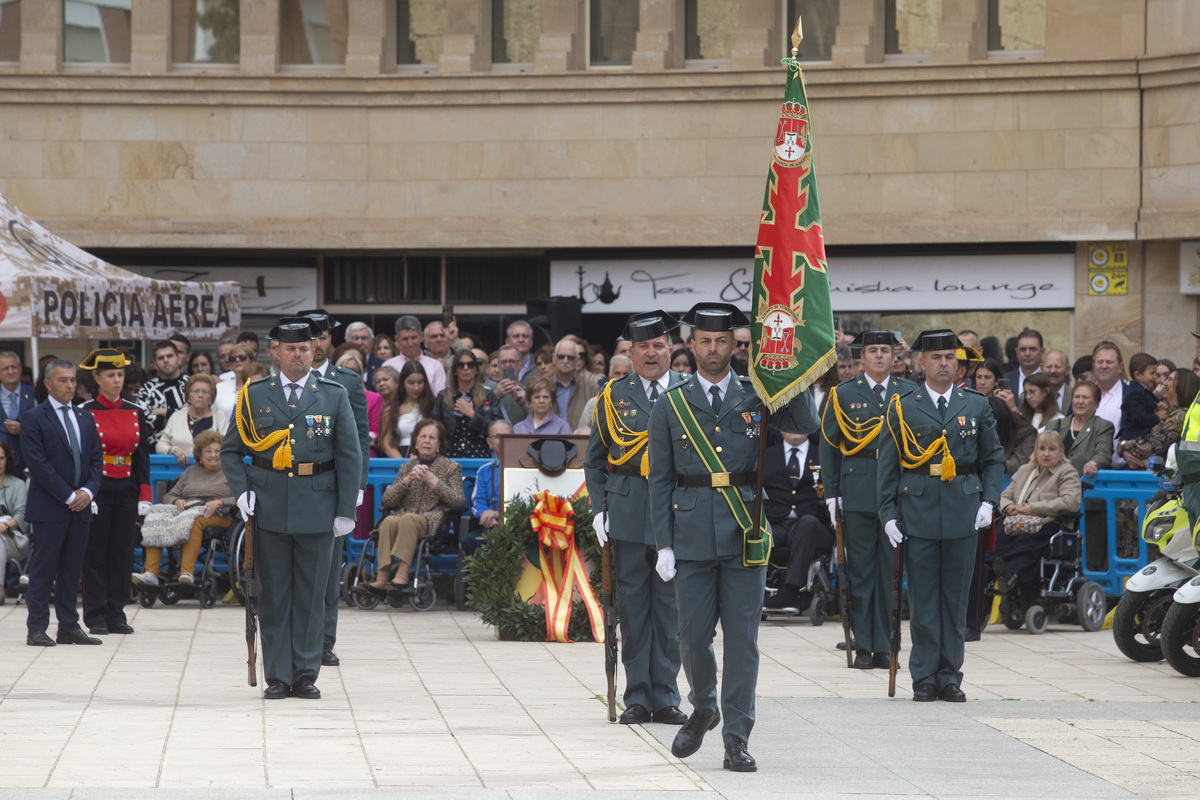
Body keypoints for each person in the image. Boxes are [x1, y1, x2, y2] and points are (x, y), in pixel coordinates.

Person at [648, 302, 818, 772]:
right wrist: (663, 543)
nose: (713, 349)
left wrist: (791, 372)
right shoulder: (671, 402)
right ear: (691, 345)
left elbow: (805, 425)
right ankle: (705, 705)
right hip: (691, 535)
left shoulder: (754, 393)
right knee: (692, 638)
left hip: (745, 531)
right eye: (704, 341)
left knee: (742, 643)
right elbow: (661, 479)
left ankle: (736, 736)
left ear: (736, 346)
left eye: (722, 341)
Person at [220, 318, 360, 700]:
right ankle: (278, 676)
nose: (298, 354)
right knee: (274, 595)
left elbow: (350, 454)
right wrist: (241, 491)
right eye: (290, 348)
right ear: (275, 352)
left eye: (304, 348)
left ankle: (305, 674)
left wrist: (346, 508)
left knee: (312, 596)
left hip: (318, 505)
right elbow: (231, 450)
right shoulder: (254, 395)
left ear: (314, 352)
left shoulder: (333, 394)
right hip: (269, 506)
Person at [876, 330, 1004, 703]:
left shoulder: (976, 404)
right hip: (918, 509)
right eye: (936, 357)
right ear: (922, 363)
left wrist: (989, 501)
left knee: (955, 599)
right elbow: (888, 465)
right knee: (924, 599)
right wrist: (887, 514)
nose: (944, 363)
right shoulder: (903, 405)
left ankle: (950, 675)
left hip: (964, 508)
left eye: (950, 357)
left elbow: (993, 458)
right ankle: (924, 676)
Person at [584, 310, 688, 728]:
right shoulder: (613, 395)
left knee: (669, 611)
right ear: (630, 352)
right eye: (642, 346)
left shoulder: (687, 390)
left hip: (677, 515)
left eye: (658, 345)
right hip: (627, 512)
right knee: (631, 608)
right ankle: (637, 697)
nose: (651, 353)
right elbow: (595, 462)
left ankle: (666, 696)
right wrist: (598, 508)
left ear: (670, 350)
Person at [819, 331, 917, 668]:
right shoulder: (844, 394)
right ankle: (864, 645)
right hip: (859, 491)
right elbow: (829, 445)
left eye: (884, 351)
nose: (878, 356)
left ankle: (888, 645)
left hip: (897, 494)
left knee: (892, 571)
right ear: (862, 358)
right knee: (861, 573)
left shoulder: (909, 392)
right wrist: (832, 492)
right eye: (872, 350)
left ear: (895, 357)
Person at [298, 309, 371, 670]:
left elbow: (358, 438)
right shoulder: (280, 381)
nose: (317, 342)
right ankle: (295, 638)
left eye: (322, 334)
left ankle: (325, 640)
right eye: (310, 335)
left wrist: (356, 486)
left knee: (327, 570)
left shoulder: (347, 381)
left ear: (330, 338)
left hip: (332, 486)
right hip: (293, 486)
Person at [23, 359, 104, 646]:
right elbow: (39, 464)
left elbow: (96, 460)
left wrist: (88, 492)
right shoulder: (34, 418)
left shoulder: (85, 417)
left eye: (72, 380)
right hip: (50, 507)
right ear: (47, 384)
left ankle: (69, 625)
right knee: (44, 568)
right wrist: (70, 495)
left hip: (81, 506)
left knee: (72, 567)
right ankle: (36, 627)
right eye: (62, 380)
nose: (69, 385)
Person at [79, 350, 153, 636]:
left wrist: (145, 494)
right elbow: (84, 457)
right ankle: (96, 614)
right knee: (96, 551)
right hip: (99, 485)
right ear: (97, 379)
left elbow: (142, 457)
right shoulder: (86, 412)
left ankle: (116, 612)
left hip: (127, 485)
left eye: (120, 374)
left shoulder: (136, 411)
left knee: (122, 552)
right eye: (110, 375)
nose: (117, 380)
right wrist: (88, 490)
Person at [365, 419, 463, 595]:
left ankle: (402, 575)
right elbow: (388, 501)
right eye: (423, 436)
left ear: (439, 443)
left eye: (432, 438)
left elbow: (457, 500)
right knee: (388, 521)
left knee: (408, 520)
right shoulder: (407, 466)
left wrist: (433, 481)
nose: (427, 441)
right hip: (403, 515)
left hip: (432, 519)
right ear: (416, 442)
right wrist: (407, 481)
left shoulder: (451, 467)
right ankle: (381, 577)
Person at [990, 431, 1082, 599]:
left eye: (1052, 449)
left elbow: (1070, 502)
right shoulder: (1025, 470)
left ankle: (1011, 574)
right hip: (1016, 520)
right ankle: (990, 571)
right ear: (1035, 450)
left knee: (1029, 539)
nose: (1046, 453)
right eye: (1042, 448)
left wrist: (1032, 508)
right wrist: (1009, 507)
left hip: (1050, 523)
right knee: (995, 535)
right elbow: (1004, 496)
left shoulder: (1067, 472)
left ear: (1061, 451)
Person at [136, 430, 236, 587]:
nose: (213, 455)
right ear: (200, 454)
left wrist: (220, 502)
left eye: (217, 451)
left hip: (219, 514)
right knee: (155, 514)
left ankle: (186, 573)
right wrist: (176, 500)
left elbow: (241, 498)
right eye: (208, 451)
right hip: (187, 510)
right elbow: (169, 495)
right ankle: (151, 573)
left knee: (195, 519)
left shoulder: (230, 474)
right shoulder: (191, 472)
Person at [762, 432, 834, 614]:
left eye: (800, 424)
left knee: (807, 524)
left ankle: (790, 591)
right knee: (756, 534)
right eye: (789, 425)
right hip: (776, 523)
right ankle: (753, 593)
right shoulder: (767, 456)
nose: (795, 429)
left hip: (814, 526)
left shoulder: (823, 454)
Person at [1120, 369, 1200, 470]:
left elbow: (1150, 446)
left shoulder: (1180, 416)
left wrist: (1122, 445)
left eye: (1170, 379)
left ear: (1183, 385)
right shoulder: (1165, 411)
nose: (1164, 383)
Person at [433, 349, 496, 459]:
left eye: (470, 365)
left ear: (476, 369)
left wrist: (472, 414)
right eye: (461, 365)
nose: (466, 368)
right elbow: (433, 427)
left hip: (480, 455)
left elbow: (496, 429)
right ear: (455, 370)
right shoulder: (443, 396)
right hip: (449, 456)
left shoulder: (488, 395)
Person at [1045, 382, 1115, 478]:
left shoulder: (1103, 426)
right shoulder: (1054, 425)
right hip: (1052, 483)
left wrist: (1094, 463)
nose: (1080, 401)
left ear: (1096, 403)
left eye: (1085, 397)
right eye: (1077, 397)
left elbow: (1104, 453)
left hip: (1083, 484)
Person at [157, 374, 230, 466]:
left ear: (211, 398)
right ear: (188, 396)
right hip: (180, 474)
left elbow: (227, 445)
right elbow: (160, 446)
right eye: (196, 391)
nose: (200, 395)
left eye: (205, 391)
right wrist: (174, 449)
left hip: (212, 474)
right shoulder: (176, 416)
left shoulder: (220, 416)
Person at [467, 419, 511, 557]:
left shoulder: (527, 468)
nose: (503, 440)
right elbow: (477, 501)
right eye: (498, 436)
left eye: (507, 436)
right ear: (489, 442)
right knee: (469, 541)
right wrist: (485, 514)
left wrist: (498, 514)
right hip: (492, 527)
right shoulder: (484, 471)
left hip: (520, 529)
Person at [137, 340, 190, 448]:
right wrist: (179, 414)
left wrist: (163, 411)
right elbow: (141, 421)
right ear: (155, 364)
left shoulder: (192, 384)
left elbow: (197, 416)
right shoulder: (147, 388)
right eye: (161, 358)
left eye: (169, 356)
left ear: (178, 359)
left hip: (188, 449)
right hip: (154, 450)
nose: (166, 360)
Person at [383, 315, 447, 395]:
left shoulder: (435, 366)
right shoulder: (388, 366)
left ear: (421, 337)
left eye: (413, 338)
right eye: (405, 339)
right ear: (397, 340)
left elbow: (439, 399)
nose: (410, 343)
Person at [381, 362, 434, 458]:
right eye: (411, 383)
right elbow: (387, 445)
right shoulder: (390, 410)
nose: (416, 387)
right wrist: (404, 465)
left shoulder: (433, 406)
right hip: (401, 459)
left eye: (420, 382)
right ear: (402, 383)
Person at [0, 442, 29, 602]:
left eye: (1, 458)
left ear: (7, 460)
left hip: (16, 540)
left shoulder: (18, 485)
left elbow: (22, 515)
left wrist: (4, 526)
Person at [550, 338, 599, 430]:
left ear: (577, 360)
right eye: (561, 356)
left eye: (570, 357)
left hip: (580, 442)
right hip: (548, 442)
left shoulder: (592, 388)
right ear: (554, 358)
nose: (565, 361)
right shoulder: (543, 386)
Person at [0, 350, 35, 472]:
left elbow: (44, 426)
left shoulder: (34, 394)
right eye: (5, 368)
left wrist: (23, 428)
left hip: (28, 462)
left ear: (20, 369)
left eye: (13, 367)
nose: (11, 371)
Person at [1092, 341, 1126, 466]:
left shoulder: (1130, 395)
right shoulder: (1082, 395)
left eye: (1109, 362)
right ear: (1094, 365)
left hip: (1121, 472)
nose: (1104, 366)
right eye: (1100, 362)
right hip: (1084, 472)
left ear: (1120, 367)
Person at [1118, 352, 1163, 446]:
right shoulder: (1135, 393)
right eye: (1152, 373)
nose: (1155, 377)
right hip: (1134, 439)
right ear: (1138, 375)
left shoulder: (1143, 391)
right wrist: (1158, 417)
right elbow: (1138, 417)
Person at [491, 345, 529, 426]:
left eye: (512, 361)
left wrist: (524, 405)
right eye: (504, 362)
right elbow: (478, 418)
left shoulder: (530, 392)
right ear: (498, 365)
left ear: (521, 366)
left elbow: (539, 422)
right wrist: (495, 397)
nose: (508, 365)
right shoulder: (486, 389)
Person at [1004, 329, 1045, 398]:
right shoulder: (1006, 379)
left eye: (1032, 349)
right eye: (1023, 349)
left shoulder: (1049, 379)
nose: (1027, 354)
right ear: (1016, 352)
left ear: (1042, 351)